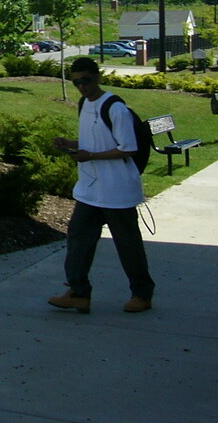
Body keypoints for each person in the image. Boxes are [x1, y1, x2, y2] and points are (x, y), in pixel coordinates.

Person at [49, 57, 155, 314]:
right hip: (91, 189)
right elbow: (95, 140)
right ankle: (78, 293)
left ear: (97, 77)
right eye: (76, 83)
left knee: (127, 244)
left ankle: (142, 294)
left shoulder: (115, 108)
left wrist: (91, 156)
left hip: (117, 190)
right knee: (78, 238)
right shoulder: (84, 104)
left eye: (86, 80)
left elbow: (128, 148)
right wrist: (71, 144)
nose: (81, 87)